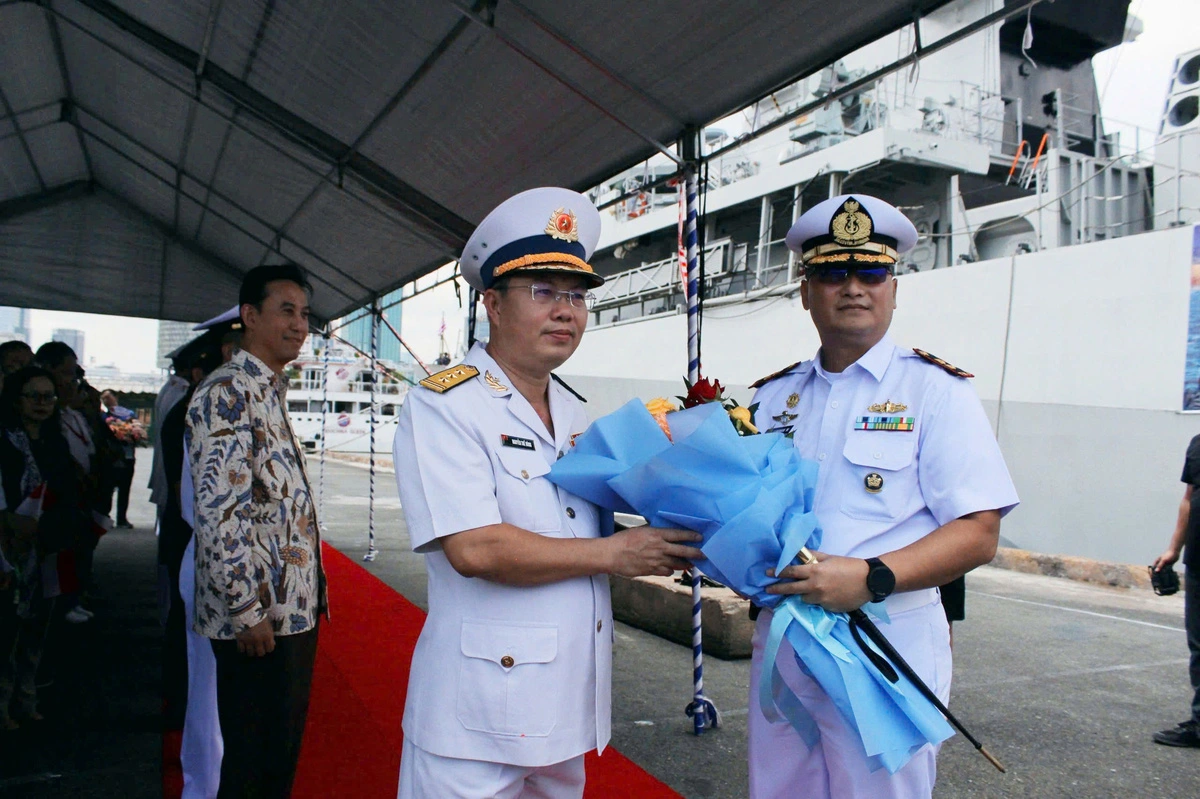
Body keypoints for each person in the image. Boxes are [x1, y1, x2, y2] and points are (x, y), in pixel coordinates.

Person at [391, 187, 704, 799]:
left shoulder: (573, 409)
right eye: (542, 291)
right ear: (493, 305)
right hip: (475, 722)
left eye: (577, 295)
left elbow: (577, 524)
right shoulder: (446, 404)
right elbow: (475, 549)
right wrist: (617, 554)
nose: (565, 310)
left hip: (565, 710)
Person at [746, 194, 1020, 798]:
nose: (853, 288)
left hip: (884, 642)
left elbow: (979, 529)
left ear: (893, 289)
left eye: (871, 272)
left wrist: (871, 576)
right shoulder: (771, 400)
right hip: (787, 638)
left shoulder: (936, 393)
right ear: (806, 291)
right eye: (831, 273)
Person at [187, 265, 326, 797]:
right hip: (261, 618)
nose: (300, 325)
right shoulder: (228, 392)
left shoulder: (266, 388)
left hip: (290, 610)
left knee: (275, 755)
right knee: (254, 761)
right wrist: (247, 611)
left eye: (305, 313)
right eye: (286, 310)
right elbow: (222, 512)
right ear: (249, 316)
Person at [0, 366, 81, 729]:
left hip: (46, 545)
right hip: (9, 544)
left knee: (37, 625)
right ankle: (3, 702)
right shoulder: (5, 439)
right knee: (6, 627)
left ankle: (27, 696)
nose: (41, 404)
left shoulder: (55, 441)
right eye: (33, 396)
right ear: (17, 399)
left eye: (48, 397)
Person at [1151, 434, 1200, 748]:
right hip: (1198, 560)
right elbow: (1188, 498)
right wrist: (1173, 549)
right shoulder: (1198, 444)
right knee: (1199, 646)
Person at [100, 391, 138, 528]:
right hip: (111, 458)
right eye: (103, 399)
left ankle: (122, 518)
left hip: (128, 456)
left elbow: (136, 431)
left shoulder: (129, 414)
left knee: (125, 489)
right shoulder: (104, 416)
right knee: (108, 489)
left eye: (108, 397)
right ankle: (106, 517)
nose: (106, 400)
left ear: (116, 398)